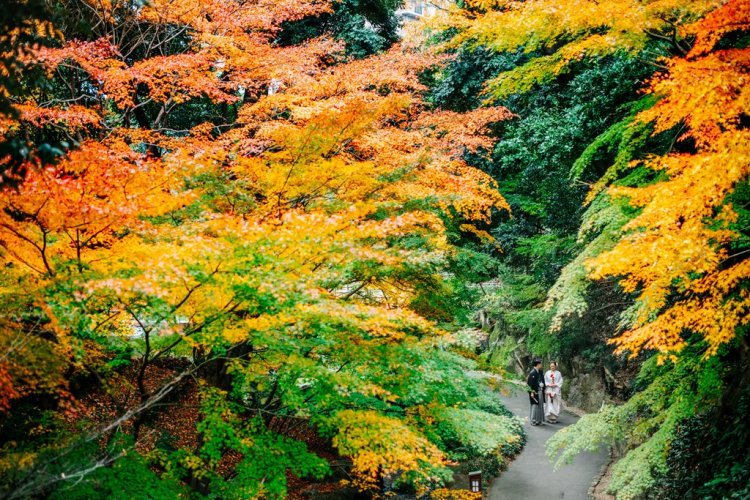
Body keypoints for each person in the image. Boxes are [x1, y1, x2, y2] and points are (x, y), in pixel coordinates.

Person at [527, 358, 544, 425]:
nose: (541, 365)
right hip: (534, 392)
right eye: (541, 364)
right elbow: (529, 384)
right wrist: (531, 392)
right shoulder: (532, 372)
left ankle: (539, 420)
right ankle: (533, 420)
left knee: (540, 405)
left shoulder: (539, 372)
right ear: (538, 364)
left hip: (539, 390)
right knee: (534, 405)